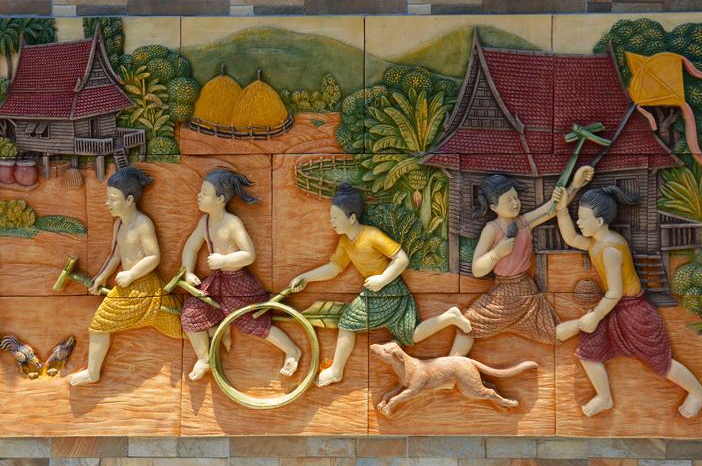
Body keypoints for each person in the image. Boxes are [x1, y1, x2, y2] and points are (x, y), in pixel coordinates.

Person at [289, 183, 471, 387]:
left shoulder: (371, 235)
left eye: (335, 217)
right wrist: (306, 277)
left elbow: (401, 259)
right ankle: (450, 317)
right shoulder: (346, 242)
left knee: (347, 322)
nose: (331, 221)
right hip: (384, 293)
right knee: (410, 336)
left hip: (387, 291)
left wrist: (382, 279)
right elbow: (334, 268)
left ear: (352, 218)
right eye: (331, 217)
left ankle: (336, 371)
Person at [553, 185, 702, 418]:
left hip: (633, 310)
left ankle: (698, 393)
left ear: (599, 221)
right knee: (588, 351)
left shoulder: (610, 250)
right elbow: (571, 237)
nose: (579, 222)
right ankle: (604, 398)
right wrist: (562, 210)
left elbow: (615, 292)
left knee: (660, 360)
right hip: (612, 307)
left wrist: (595, 316)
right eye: (578, 217)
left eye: (583, 218)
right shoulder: (596, 242)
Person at [447, 166, 594, 356]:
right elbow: (477, 269)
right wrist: (496, 253)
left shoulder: (522, 222)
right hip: (505, 293)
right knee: (467, 325)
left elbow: (552, 209)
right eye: (508, 200)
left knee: (467, 325)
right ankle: (587, 320)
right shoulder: (492, 229)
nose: (515, 203)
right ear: (494, 208)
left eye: (516, 197)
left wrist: (575, 184)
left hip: (521, 292)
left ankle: (452, 364)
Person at [180, 169, 301, 381]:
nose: (199, 196)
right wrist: (188, 272)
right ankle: (204, 358)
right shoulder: (205, 222)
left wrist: (224, 261)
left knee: (251, 321)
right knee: (191, 312)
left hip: (238, 284)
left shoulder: (232, 223)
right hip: (217, 283)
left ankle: (292, 350)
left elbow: (249, 254)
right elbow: (191, 247)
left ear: (220, 199)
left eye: (205, 193)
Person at [68, 166, 182, 386]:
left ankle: (93, 373)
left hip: (143, 287)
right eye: (107, 199)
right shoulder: (119, 223)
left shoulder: (142, 224)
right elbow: (116, 255)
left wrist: (131, 274)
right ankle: (92, 372)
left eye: (113, 199)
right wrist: (102, 277)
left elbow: (153, 257)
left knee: (174, 327)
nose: (107, 203)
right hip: (128, 287)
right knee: (102, 324)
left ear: (129, 200)